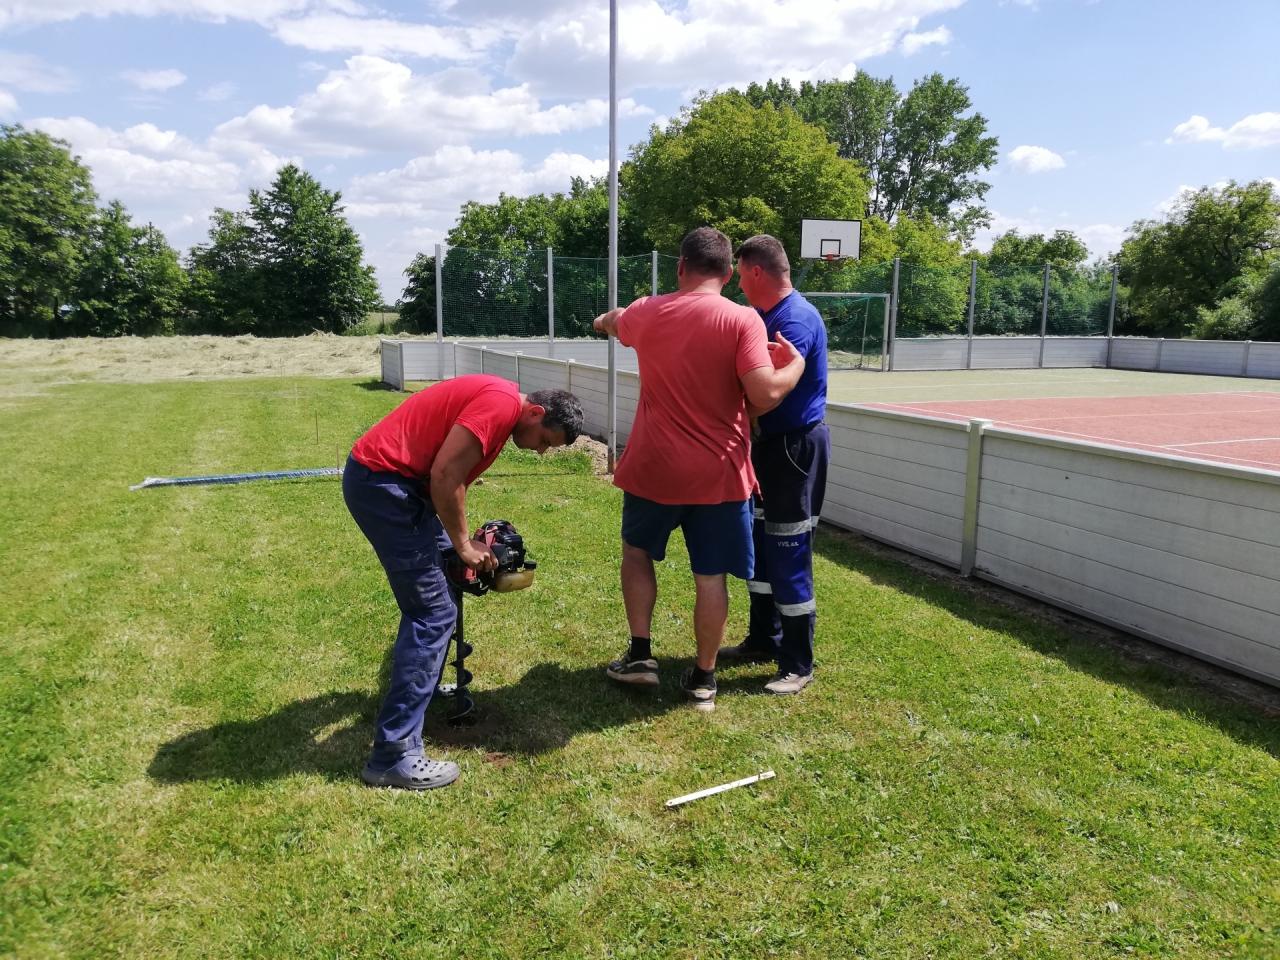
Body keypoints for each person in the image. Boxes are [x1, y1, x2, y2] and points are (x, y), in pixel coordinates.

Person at [593, 227, 805, 712]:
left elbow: (614, 320)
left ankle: (641, 655)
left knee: (637, 553)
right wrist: (795, 365)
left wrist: (603, 320)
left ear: (680, 268)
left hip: (653, 468)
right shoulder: (743, 319)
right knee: (711, 577)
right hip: (720, 474)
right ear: (729, 273)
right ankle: (704, 679)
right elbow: (765, 393)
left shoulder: (647, 312)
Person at [343, 375, 583, 789]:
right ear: (536, 412)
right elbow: (445, 475)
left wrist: (461, 547)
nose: (542, 451)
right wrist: (463, 543)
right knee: (433, 613)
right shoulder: (499, 405)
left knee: (451, 574)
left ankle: (425, 688)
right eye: (546, 440)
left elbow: (447, 479)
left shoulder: (502, 408)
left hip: (402, 487)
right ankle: (392, 755)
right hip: (385, 486)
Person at [718, 234, 830, 695]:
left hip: (791, 449)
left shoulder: (794, 320)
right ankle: (764, 639)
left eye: (741, 275)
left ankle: (798, 663)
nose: (738, 285)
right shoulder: (765, 316)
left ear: (757, 272)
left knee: (787, 548)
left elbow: (767, 393)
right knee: (761, 545)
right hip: (767, 447)